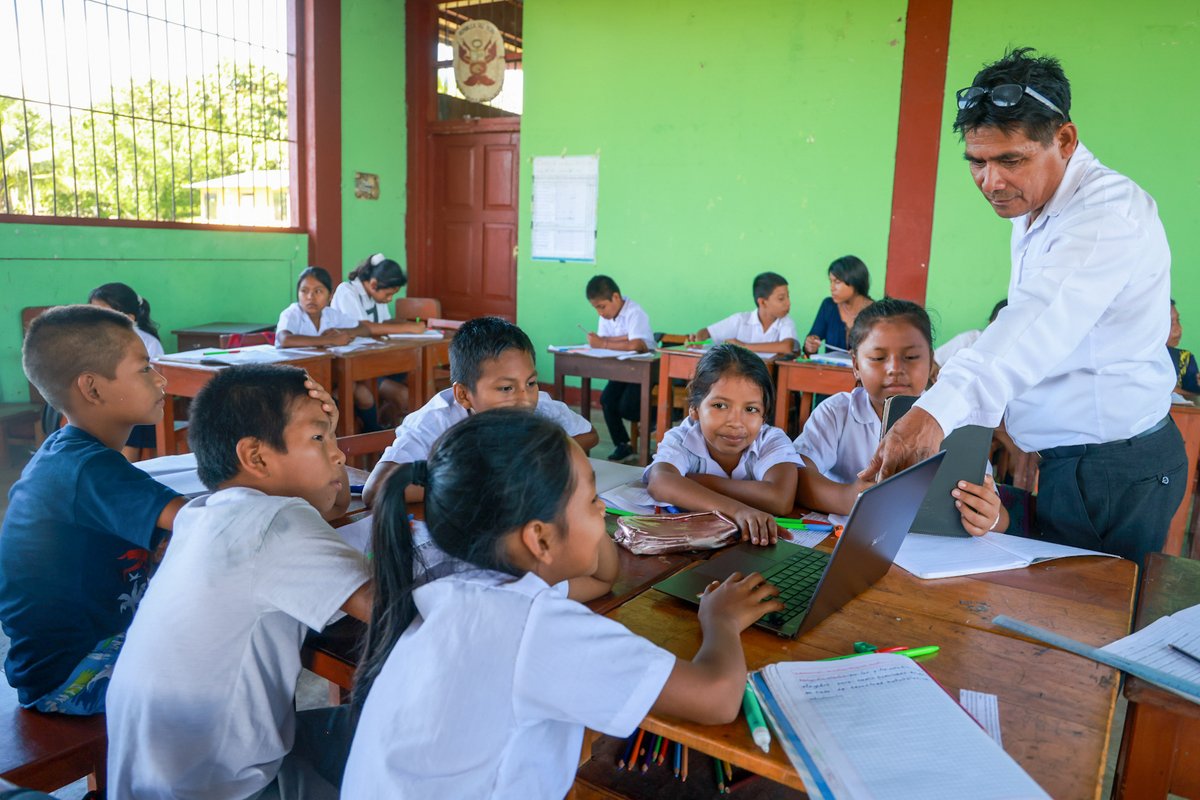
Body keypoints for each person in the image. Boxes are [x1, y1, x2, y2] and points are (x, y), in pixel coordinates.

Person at [341, 409, 782, 797]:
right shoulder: (536, 628)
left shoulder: (454, 590)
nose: (606, 513)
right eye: (593, 500)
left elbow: (601, 577)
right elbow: (719, 698)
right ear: (539, 537)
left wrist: (582, 515)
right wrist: (721, 619)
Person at [867, 48, 1185, 566]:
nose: (991, 182)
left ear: (1064, 140)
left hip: (1113, 470)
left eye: (1010, 160)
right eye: (977, 162)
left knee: (1084, 623)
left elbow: (1034, 321)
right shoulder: (1035, 202)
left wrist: (932, 413)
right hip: (1071, 461)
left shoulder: (1105, 213)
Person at [105, 365, 371, 800]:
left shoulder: (203, 514)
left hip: (161, 778)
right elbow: (393, 609)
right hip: (227, 787)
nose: (339, 455)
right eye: (319, 439)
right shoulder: (276, 522)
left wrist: (327, 438)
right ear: (257, 457)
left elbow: (333, 501)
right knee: (416, 735)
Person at [0, 305, 186, 714]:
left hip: (89, 648)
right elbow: (200, 522)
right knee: (234, 649)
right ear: (92, 388)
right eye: (143, 369)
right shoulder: (84, 468)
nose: (161, 379)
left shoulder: (76, 454)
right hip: (71, 675)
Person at [794, 298, 1007, 534]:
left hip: (932, 555)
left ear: (931, 361)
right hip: (852, 540)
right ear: (855, 364)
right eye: (877, 358)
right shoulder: (837, 413)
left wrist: (991, 518)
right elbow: (797, 474)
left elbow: (998, 513)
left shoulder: (958, 418)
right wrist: (849, 498)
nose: (895, 368)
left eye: (911, 357)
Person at [361, 316, 598, 507]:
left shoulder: (539, 408)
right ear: (463, 395)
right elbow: (377, 489)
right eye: (506, 388)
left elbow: (588, 434)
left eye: (531, 383)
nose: (525, 399)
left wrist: (540, 454)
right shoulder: (436, 422)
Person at [645, 344, 801, 544]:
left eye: (751, 409)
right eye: (720, 406)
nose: (736, 422)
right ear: (694, 407)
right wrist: (737, 511)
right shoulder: (682, 438)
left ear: (764, 415)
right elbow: (660, 482)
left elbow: (780, 499)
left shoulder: (770, 440)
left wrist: (701, 481)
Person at [276, 266, 424, 432]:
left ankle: (374, 438)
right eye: (304, 291)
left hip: (331, 378)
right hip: (297, 382)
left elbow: (363, 328)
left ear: (330, 295)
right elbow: (285, 339)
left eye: (318, 291)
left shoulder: (331, 315)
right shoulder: (292, 313)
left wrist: (345, 333)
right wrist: (328, 340)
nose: (310, 297)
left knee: (365, 396)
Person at [331, 253, 425, 422]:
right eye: (388, 294)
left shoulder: (374, 296)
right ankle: (379, 434)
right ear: (373, 284)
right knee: (403, 396)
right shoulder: (347, 292)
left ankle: (389, 425)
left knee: (418, 382)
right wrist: (409, 327)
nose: (389, 299)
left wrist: (407, 325)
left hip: (375, 360)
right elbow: (365, 327)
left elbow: (383, 323)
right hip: (354, 365)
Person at [88, 282, 167, 460]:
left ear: (129, 317)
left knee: (128, 420)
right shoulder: (92, 342)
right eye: (93, 311)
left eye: (103, 312)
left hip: (138, 403)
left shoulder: (147, 342)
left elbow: (153, 384)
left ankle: (124, 468)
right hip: (105, 401)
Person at [583, 274, 656, 461]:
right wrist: (621, 340)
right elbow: (610, 341)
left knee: (627, 406)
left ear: (615, 297)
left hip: (643, 371)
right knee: (607, 400)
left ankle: (655, 419)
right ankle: (623, 444)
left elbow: (637, 345)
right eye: (596, 308)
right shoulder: (605, 317)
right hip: (621, 371)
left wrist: (606, 343)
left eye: (602, 306)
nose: (600, 312)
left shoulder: (635, 312)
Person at [692, 272, 797, 354]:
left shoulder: (785, 321)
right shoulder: (740, 320)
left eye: (788, 296)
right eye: (781, 298)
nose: (788, 303)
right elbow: (705, 332)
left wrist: (744, 347)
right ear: (763, 302)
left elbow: (786, 347)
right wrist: (698, 341)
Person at [803, 256, 874, 356]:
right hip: (831, 371)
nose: (831, 288)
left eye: (837, 282)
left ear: (855, 281)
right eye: (830, 281)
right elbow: (810, 348)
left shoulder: (876, 313)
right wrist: (810, 346)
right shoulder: (828, 306)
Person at [934, 299, 1008, 366]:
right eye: (997, 326)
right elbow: (934, 361)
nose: (1000, 332)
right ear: (989, 322)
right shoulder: (970, 339)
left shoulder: (1010, 353)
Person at [1167, 299, 1199, 402]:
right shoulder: (1137, 358)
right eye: (1171, 323)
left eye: (1178, 321)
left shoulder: (1185, 358)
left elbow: (1195, 398)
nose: (1178, 329)